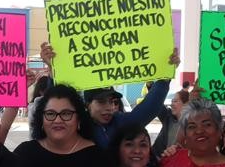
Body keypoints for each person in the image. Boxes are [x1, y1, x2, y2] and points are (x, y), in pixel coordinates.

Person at [47, 40, 177, 148]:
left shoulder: (120, 122)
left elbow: (148, 109)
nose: (109, 107)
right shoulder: (77, 125)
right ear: (88, 104)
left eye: (112, 101)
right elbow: (55, 105)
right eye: (102, 102)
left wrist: (164, 80)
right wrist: (53, 74)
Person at [152, 88, 188, 158]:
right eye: (172, 101)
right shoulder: (168, 117)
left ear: (186, 104)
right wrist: (151, 87)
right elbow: (157, 101)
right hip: (158, 160)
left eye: (175, 101)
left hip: (176, 163)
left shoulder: (192, 125)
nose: (172, 104)